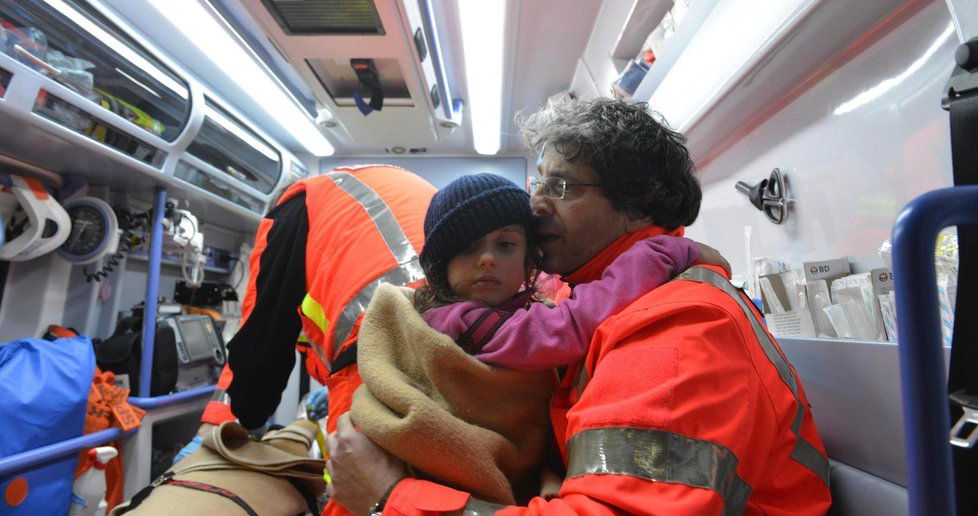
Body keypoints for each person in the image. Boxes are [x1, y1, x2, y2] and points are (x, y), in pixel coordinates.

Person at [326, 98, 832, 515]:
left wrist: (388, 499)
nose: (537, 205)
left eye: (562, 187)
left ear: (637, 205)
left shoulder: (681, 322)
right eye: (538, 183)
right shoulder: (590, 300)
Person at [350, 172, 716, 504]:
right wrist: (663, 253)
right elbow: (566, 329)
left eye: (505, 245)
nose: (488, 259)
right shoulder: (456, 318)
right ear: (442, 265)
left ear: (529, 259)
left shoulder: (518, 308)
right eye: (468, 247)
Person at [179, 165, 435, 514]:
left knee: (359, 490)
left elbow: (261, 338)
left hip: (379, 349)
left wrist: (223, 423)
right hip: (461, 341)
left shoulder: (295, 207)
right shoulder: (359, 198)